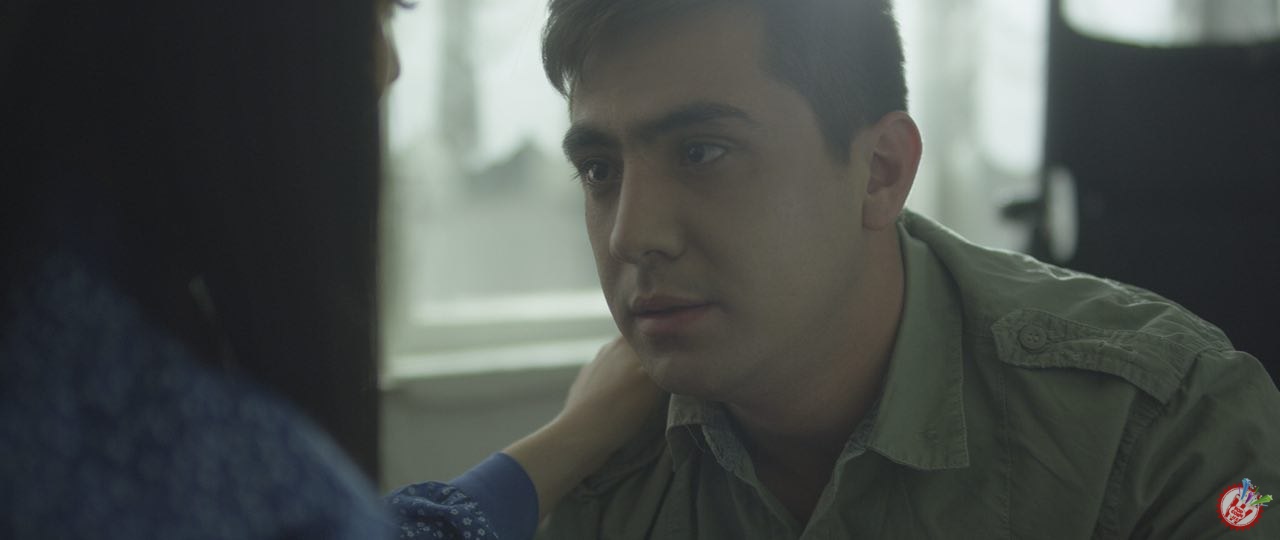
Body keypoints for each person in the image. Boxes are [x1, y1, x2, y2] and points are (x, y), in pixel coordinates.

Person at [534, 0, 1280, 538]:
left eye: (702, 153)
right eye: (599, 170)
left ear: (880, 171)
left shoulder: (1163, 425)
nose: (631, 235)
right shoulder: (594, 463)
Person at [0, 0, 658, 538]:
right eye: (377, 15)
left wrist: (576, 433)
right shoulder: (220, 475)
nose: (390, 68)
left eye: (699, 154)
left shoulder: (67, 313)